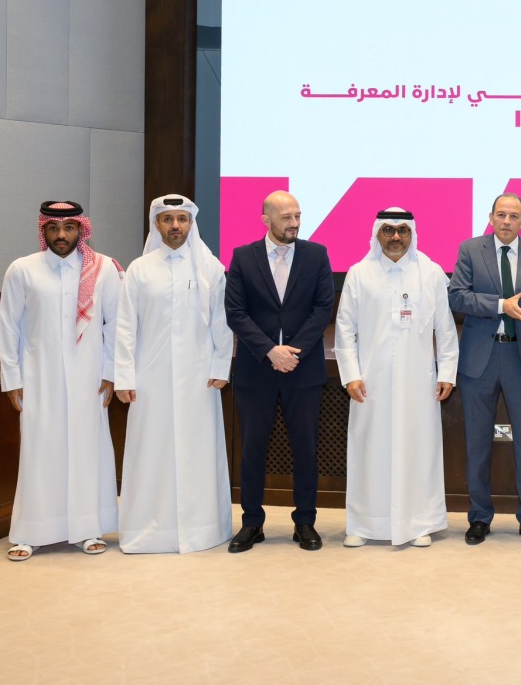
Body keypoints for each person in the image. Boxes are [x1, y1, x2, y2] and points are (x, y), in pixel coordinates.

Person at [0, 201, 122, 561]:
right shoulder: (22, 270)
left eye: (69, 228)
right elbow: (8, 327)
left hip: (89, 378)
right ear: (43, 231)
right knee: (40, 451)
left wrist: (111, 373)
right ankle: (30, 533)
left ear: (81, 230)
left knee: (86, 450)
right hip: (39, 377)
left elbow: (115, 324)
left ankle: (88, 529)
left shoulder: (103, 270)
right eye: (54, 228)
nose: (62, 235)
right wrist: (12, 379)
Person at [114, 195, 233, 553]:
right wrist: (124, 377)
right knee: (151, 450)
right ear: (157, 224)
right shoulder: (139, 269)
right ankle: (150, 531)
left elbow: (221, 323)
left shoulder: (210, 268)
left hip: (200, 379)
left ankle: (202, 529)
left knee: (198, 451)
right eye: (168, 220)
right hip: (149, 380)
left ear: (191, 224)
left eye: (182, 219)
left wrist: (220, 366)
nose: (175, 226)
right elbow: (124, 327)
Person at [335, 208, 458, 548]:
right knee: (368, 448)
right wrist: (350, 375)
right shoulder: (359, 274)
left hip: (418, 382)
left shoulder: (430, 273)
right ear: (377, 233)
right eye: (388, 230)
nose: (395, 237)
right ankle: (364, 523)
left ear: (412, 234)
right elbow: (345, 328)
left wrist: (447, 370)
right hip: (369, 383)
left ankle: (420, 522)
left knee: (418, 449)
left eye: (402, 230)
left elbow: (445, 329)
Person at [225, 190, 334, 552]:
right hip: (257, 369)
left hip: (303, 371)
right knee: (252, 450)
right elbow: (236, 313)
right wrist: (270, 350)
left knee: (306, 449)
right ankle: (251, 523)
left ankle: (305, 522)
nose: (295, 224)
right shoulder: (242, 257)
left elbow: (322, 308)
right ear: (266, 220)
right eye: (287, 217)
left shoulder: (316, 254)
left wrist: (294, 353)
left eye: (298, 216)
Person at [448, 194, 521, 546]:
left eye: (514, 216)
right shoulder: (470, 249)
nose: (507, 221)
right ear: (491, 217)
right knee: (477, 441)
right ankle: (479, 517)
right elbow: (457, 296)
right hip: (480, 358)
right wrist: (499, 305)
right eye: (501, 215)